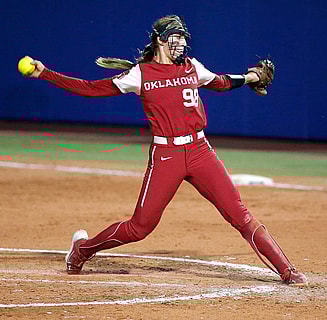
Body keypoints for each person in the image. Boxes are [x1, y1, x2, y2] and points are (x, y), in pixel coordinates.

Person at [28, 15, 307, 285]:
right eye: (176, 38)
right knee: (140, 228)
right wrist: (46, 74)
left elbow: (220, 82)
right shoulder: (141, 74)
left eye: (183, 38)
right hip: (166, 156)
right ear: (160, 41)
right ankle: (82, 250)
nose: (182, 44)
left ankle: (287, 271)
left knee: (240, 216)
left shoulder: (191, 66)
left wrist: (250, 77)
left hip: (200, 151)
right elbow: (90, 88)